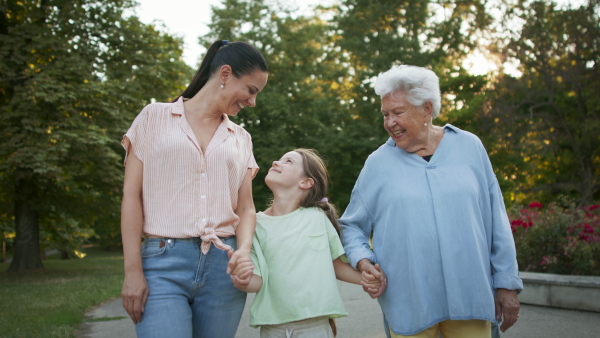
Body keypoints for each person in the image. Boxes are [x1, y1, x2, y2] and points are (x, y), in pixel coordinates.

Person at [339, 65, 523, 338]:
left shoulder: (470, 147)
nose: (390, 122)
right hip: (409, 301)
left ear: (427, 109)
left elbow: (496, 220)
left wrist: (506, 285)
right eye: (385, 114)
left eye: (398, 113)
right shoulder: (378, 164)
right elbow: (351, 226)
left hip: (469, 295)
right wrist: (365, 262)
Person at [120, 40, 268, 337]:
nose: (252, 101)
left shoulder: (241, 137)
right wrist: (132, 271)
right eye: (251, 90)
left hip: (222, 268)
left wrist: (244, 250)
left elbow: (245, 207)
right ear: (225, 74)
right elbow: (131, 197)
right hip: (162, 265)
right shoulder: (153, 117)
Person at [230, 148, 386, 337]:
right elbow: (257, 281)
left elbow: (335, 265)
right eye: (280, 159)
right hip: (272, 328)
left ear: (306, 182)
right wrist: (243, 280)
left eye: (288, 161)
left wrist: (368, 280)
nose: (276, 162)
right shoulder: (255, 224)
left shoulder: (317, 218)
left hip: (315, 327)